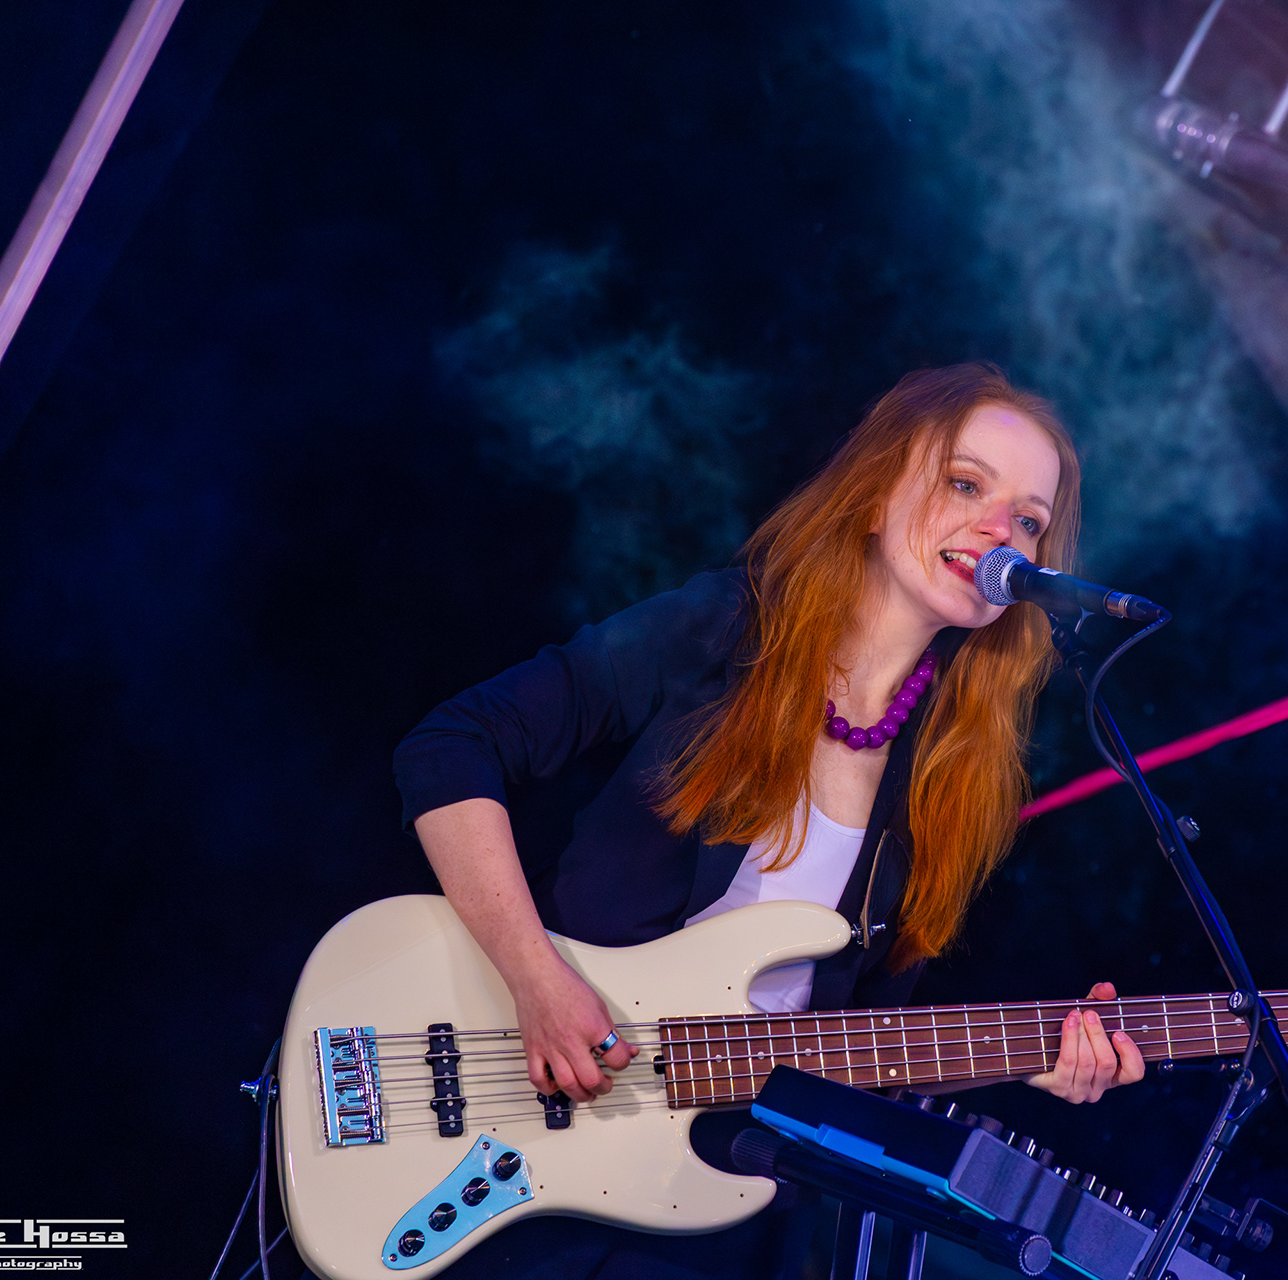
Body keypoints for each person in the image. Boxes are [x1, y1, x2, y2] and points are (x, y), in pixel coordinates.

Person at [394, 363, 1145, 1277]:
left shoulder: (954, 773)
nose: (1001, 530)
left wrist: (1029, 1059)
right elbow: (452, 744)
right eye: (964, 484)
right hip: (529, 1106)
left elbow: (862, 1046)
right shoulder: (725, 628)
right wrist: (535, 978)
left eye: (1029, 520)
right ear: (875, 495)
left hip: (720, 1194)